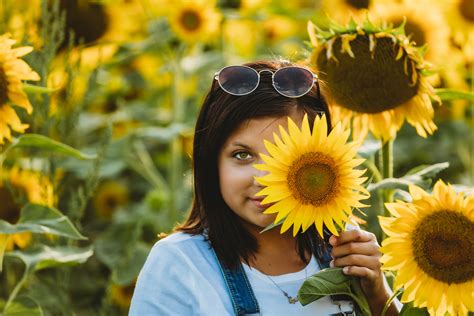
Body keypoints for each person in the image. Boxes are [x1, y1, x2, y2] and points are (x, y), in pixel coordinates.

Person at [129, 60, 400, 315]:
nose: (264, 179)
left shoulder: (342, 250)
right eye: (243, 155)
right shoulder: (180, 264)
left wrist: (377, 293)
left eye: (284, 157)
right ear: (212, 162)